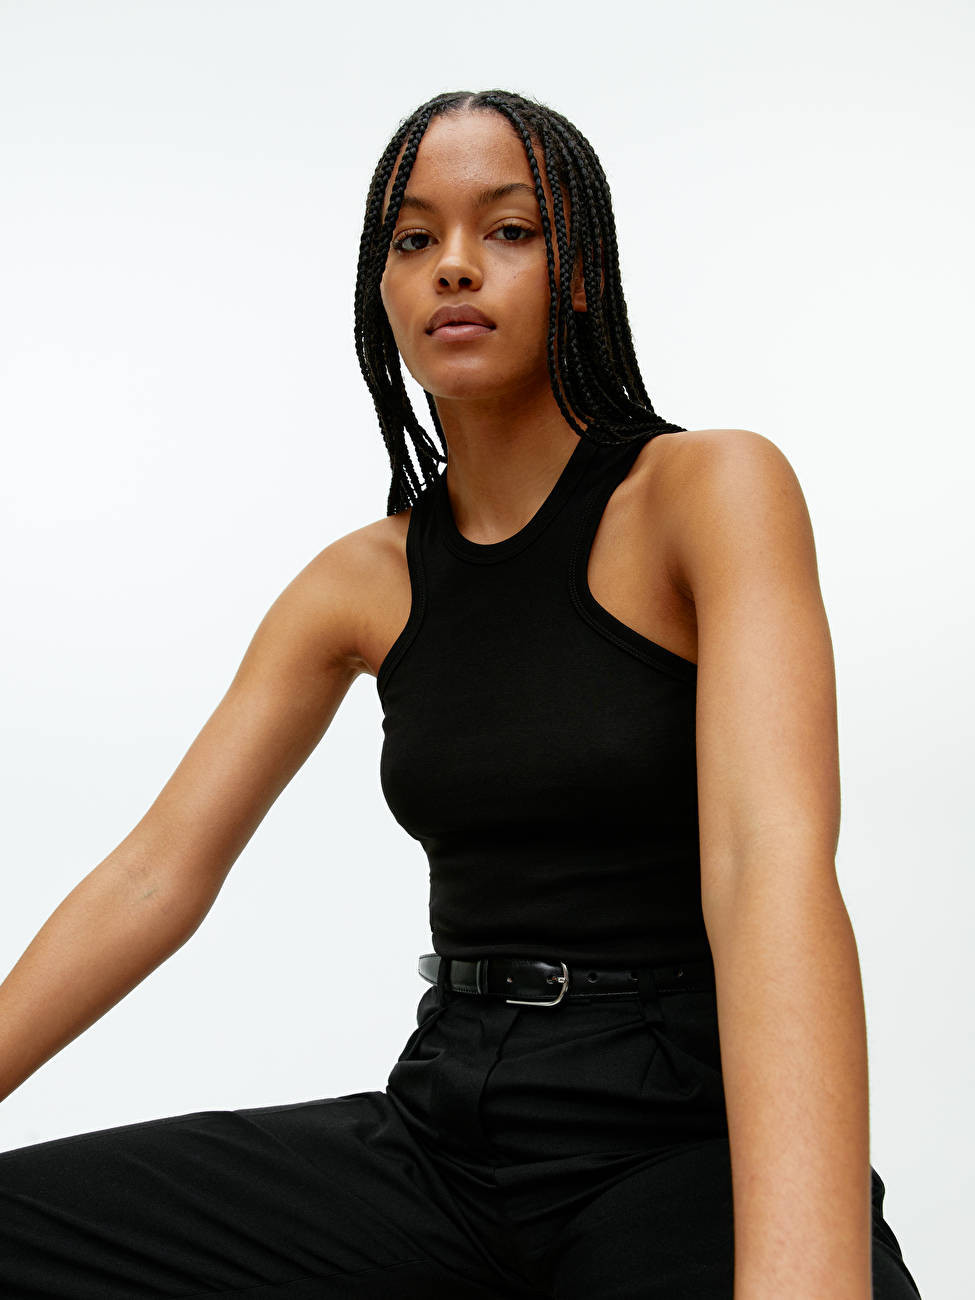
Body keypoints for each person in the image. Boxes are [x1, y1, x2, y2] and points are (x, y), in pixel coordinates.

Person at [0, 88, 924, 1299]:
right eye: (413, 237)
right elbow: (153, 876)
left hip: (680, 1139)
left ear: (579, 273)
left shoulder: (707, 493)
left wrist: (802, 1274)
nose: (454, 265)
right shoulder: (360, 582)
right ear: (380, 290)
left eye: (509, 229)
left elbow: (771, 871)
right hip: (448, 1126)